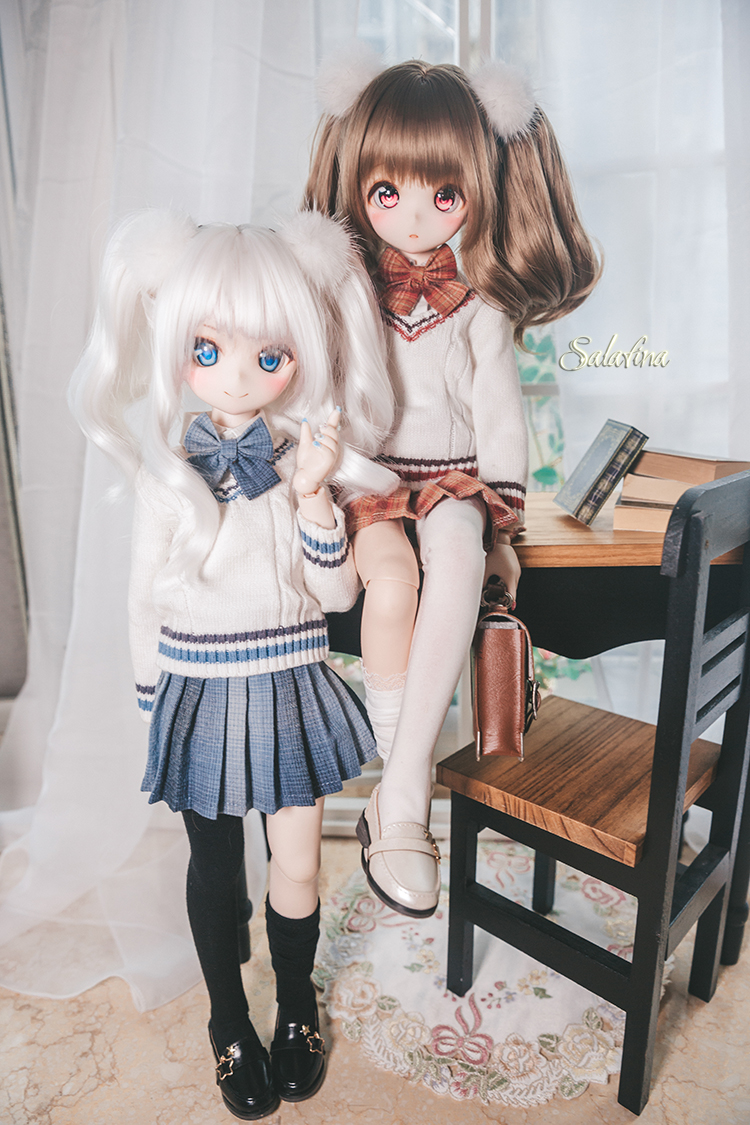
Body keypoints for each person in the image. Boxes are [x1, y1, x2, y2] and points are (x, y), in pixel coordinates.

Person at [70, 209, 394, 1119]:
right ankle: (226, 1019)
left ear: (300, 354)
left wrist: (315, 497)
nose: (239, 374)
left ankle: (295, 1005)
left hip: (289, 685)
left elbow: (336, 594)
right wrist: (153, 705)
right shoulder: (166, 471)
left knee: (297, 861)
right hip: (200, 693)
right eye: (207, 350)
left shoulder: (300, 460)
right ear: (176, 348)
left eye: (269, 353)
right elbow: (143, 600)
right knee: (216, 872)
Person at [305, 57, 601, 918]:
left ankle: (400, 794)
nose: (414, 217)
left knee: (461, 551)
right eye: (386, 191)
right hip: (369, 479)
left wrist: (503, 523)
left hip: (452, 479)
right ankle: (402, 788)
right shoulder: (345, 285)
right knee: (394, 584)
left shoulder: (480, 299)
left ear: (477, 189)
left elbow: (500, 413)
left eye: (444, 195)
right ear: (358, 184)